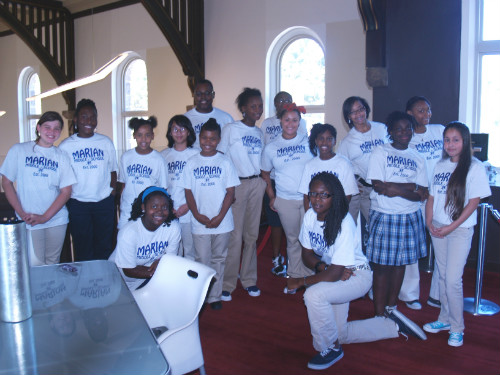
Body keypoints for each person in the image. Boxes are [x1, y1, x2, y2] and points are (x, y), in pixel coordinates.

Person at [286, 172, 426, 371]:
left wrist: (300, 282)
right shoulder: (310, 216)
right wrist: (325, 268)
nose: (317, 199)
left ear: (334, 197)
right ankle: (389, 325)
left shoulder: (343, 222)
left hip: (357, 276)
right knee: (339, 333)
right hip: (336, 273)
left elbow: (337, 274)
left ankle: (330, 348)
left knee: (313, 295)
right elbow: (307, 255)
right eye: (313, 194)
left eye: (324, 195)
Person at [423, 122, 491, 347]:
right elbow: (432, 197)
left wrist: (451, 227)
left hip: (459, 230)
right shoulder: (440, 165)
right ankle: (444, 319)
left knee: (453, 279)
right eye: (447, 140)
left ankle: (457, 327)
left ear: (465, 141)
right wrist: (429, 222)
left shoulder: (474, 167)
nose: (450, 144)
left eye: (455, 140)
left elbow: (473, 203)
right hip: (438, 229)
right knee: (443, 277)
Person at [366, 111, 428, 317]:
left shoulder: (418, 157)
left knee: (400, 264)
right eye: (399, 129)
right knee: (382, 267)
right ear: (390, 131)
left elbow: (422, 194)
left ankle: (391, 308)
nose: (404, 132)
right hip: (384, 215)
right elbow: (379, 186)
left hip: (410, 216)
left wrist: (396, 188)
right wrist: (410, 187)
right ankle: (378, 313)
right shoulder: (379, 152)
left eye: (408, 128)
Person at [0, 111, 76, 265]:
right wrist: (21, 213)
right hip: (29, 220)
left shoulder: (61, 156)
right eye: (47, 127)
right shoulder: (20, 150)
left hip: (56, 220)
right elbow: (6, 182)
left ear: (60, 132)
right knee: (34, 264)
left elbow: (66, 191)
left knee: (52, 263)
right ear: (38, 127)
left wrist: (45, 217)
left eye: (56, 128)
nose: (52, 132)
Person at [182, 119, 240, 310]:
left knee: (219, 258)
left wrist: (220, 216)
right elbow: (188, 191)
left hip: (222, 222)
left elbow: (231, 192)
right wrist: (197, 215)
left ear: (219, 140)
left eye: (213, 139)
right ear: (199, 138)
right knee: (202, 259)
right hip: (200, 221)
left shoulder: (225, 161)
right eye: (204, 138)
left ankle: (215, 296)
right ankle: (201, 294)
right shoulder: (191, 163)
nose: (208, 142)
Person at [218, 87, 266, 301]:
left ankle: (248, 279)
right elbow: (220, 158)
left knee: (252, 235)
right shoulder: (231, 129)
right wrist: (227, 188)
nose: (258, 110)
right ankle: (228, 283)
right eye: (253, 106)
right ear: (243, 109)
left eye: (260, 106)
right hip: (237, 185)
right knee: (235, 236)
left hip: (256, 184)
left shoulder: (259, 133)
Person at [399, 96, 445, 310]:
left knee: (443, 247)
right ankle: (409, 294)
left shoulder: (440, 130)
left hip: (441, 196)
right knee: (412, 248)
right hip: (417, 198)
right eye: (420, 111)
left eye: (428, 110)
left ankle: (437, 294)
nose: (426, 114)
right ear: (410, 114)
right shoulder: (406, 138)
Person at [59, 99, 118, 261]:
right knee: (83, 248)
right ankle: (86, 284)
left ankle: (103, 283)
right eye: (84, 117)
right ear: (76, 120)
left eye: (93, 117)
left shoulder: (105, 142)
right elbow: (62, 178)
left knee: (104, 247)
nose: (89, 121)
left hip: (103, 203)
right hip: (78, 204)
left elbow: (113, 170)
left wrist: (112, 192)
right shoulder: (66, 146)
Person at [261, 102, 313, 284]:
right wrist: (272, 195)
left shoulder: (307, 142)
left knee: (307, 238)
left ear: (299, 122)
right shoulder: (271, 148)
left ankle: (309, 275)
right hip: (285, 200)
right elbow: (265, 173)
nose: (290, 124)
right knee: (292, 239)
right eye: (287, 120)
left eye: (294, 120)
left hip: (308, 199)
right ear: (280, 121)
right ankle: (294, 275)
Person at [110, 186, 181, 290]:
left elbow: (170, 260)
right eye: (154, 206)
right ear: (143, 207)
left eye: (165, 207)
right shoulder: (129, 232)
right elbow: (128, 270)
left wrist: (162, 262)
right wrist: (159, 270)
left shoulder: (173, 228)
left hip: (148, 278)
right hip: (120, 281)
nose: (160, 211)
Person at [337, 97, 388, 226]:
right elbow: (340, 167)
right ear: (348, 116)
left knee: (378, 226)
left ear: (366, 109)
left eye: (360, 109)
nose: (358, 114)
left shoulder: (382, 129)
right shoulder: (347, 141)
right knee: (348, 226)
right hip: (362, 190)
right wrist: (351, 182)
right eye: (353, 112)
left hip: (385, 186)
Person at [117, 116, 167, 229]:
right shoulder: (126, 157)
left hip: (149, 211)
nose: (143, 139)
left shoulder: (159, 159)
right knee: (125, 242)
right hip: (127, 209)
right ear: (134, 135)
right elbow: (123, 184)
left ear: (153, 136)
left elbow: (163, 189)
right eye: (139, 135)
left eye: (147, 135)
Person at [161, 115, 199, 260]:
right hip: (169, 211)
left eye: (182, 128)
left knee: (190, 250)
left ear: (188, 131)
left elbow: (198, 186)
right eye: (175, 129)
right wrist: (168, 207)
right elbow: (161, 185)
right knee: (172, 251)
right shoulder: (164, 155)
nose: (179, 132)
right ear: (170, 133)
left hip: (189, 210)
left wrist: (187, 206)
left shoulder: (196, 155)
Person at [298, 123, 359, 211]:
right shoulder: (309, 165)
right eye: (321, 138)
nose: (324, 142)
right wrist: (309, 215)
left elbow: (348, 194)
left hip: (336, 212)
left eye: (329, 139)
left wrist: (337, 214)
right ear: (316, 141)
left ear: (335, 141)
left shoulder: (344, 163)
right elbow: (306, 195)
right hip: (315, 212)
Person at [184, 79, 234, 149]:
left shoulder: (226, 118)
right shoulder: (185, 119)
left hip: (219, 159)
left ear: (213, 95)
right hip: (192, 159)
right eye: (198, 94)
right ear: (193, 95)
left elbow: (232, 145)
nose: (203, 97)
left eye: (207, 93)